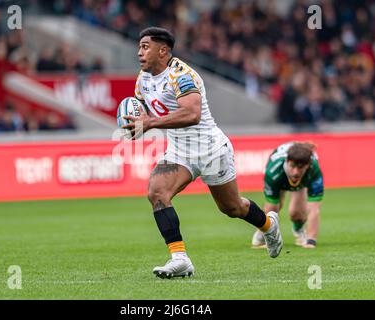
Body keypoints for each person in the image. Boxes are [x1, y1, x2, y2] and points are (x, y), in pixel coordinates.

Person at [122, 27, 283, 279]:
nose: (139, 52)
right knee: (157, 192)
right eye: (139, 46)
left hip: (211, 150)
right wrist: (137, 121)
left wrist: (151, 123)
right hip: (179, 152)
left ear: (162, 50)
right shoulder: (142, 80)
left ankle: (269, 226)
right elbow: (146, 111)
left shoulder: (182, 75)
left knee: (232, 208)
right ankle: (180, 258)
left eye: (145, 46)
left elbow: (191, 114)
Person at [251, 142, 324, 249]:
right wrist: (268, 234)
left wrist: (311, 241)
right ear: (287, 161)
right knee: (275, 207)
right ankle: (262, 231)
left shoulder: (314, 170)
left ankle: (299, 231)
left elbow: (314, 209)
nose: (295, 172)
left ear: (307, 166)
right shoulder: (273, 171)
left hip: (302, 182)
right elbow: (271, 207)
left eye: (300, 168)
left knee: (296, 214)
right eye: (293, 166)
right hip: (280, 179)